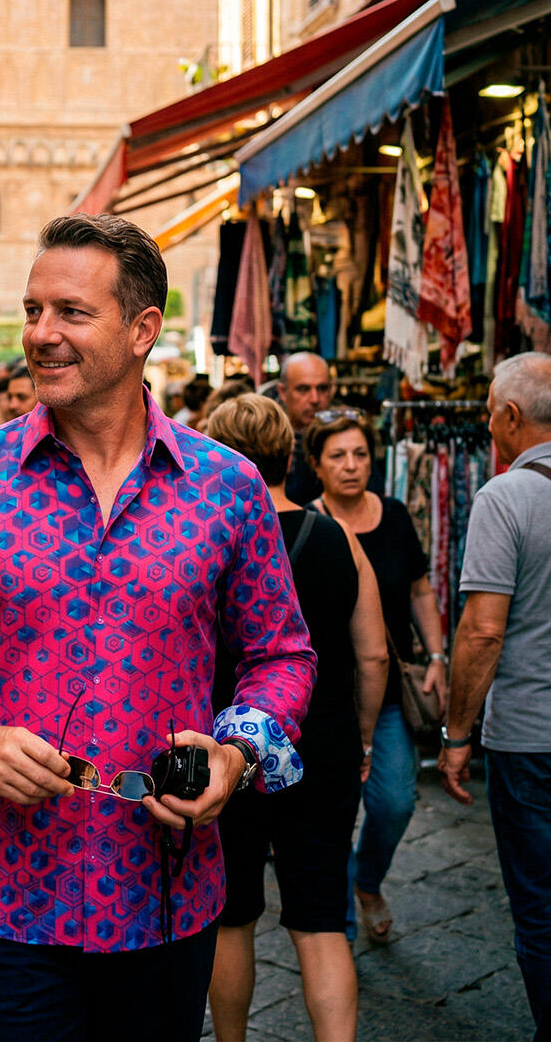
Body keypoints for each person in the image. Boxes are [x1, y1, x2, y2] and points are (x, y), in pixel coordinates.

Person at [0, 213, 316, 1042]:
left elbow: (281, 655)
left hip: (166, 896)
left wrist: (237, 752)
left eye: (70, 312)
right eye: (33, 311)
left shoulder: (228, 488)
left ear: (143, 330)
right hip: (8, 898)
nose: (40, 334)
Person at [206, 395, 388, 1042]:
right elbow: (374, 653)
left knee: (232, 917)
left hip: (225, 751)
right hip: (323, 745)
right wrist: (363, 734)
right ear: (291, 456)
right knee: (319, 920)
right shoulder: (337, 537)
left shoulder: (207, 541)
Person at [438, 353, 551, 1042]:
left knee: (540, 905)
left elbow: (481, 633)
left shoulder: (504, 497)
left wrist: (455, 736)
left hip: (531, 737)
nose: (485, 421)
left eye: (487, 409)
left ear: (510, 416)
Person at [305, 408, 447, 945]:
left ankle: (368, 881)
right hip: (326, 700)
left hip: (385, 694)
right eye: (337, 456)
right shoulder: (308, 524)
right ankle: (335, 931)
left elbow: (419, 589)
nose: (350, 466)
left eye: (360, 454)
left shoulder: (391, 515)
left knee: (395, 802)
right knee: (332, 815)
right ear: (316, 465)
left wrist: (436, 656)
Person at [279, 352, 333, 504]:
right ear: (283, 392)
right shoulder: (269, 442)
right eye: (303, 389)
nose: (315, 399)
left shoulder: (345, 440)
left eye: (322, 388)